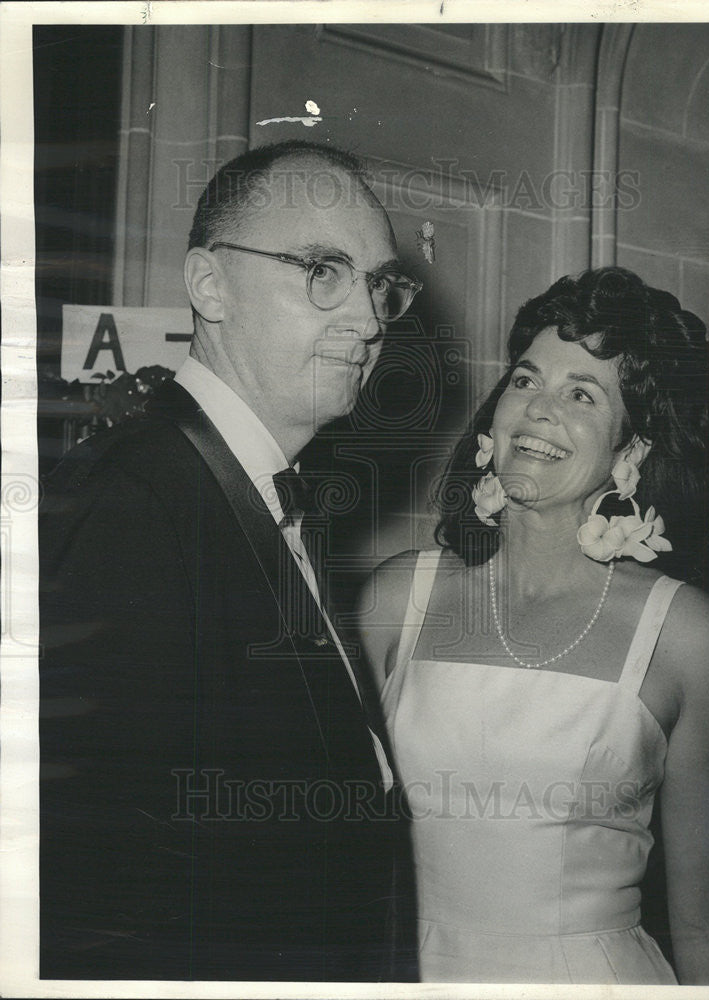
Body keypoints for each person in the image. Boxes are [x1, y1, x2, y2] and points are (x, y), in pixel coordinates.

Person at [38, 140, 422, 981]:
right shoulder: (133, 499)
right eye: (323, 270)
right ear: (209, 285)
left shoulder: (246, 488)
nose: (366, 321)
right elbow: (97, 902)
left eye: (380, 285)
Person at [357, 267, 709, 984]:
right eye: (525, 380)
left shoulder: (687, 635)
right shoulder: (395, 598)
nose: (539, 410)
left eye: (581, 394)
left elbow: (707, 917)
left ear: (629, 455)